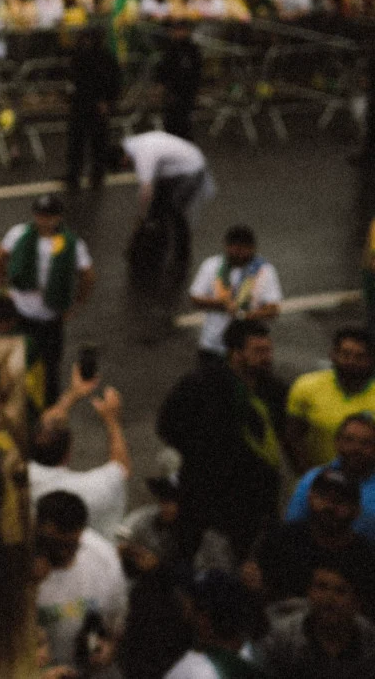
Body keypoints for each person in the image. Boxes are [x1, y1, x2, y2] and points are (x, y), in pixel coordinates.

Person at [158, 318, 288, 556]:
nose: (267, 357)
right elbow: (168, 426)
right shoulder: (199, 385)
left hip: (255, 498)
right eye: (258, 351)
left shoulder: (275, 390)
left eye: (268, 350)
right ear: (235, 353)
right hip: (204, 493)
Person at [0, 193, 94, 407]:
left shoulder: (70, 244)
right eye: (40, 215)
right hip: (21, 312)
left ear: (58, 218)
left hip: (50, 317)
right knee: (16, 361)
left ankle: (47, 409)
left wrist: (76, 304)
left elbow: (87, 274)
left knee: (49, 367)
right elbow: (1, 257)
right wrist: (3, 288)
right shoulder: (19, 234)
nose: (44, 220)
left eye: (49, 216)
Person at [249, 467, 375, 608]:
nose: (330, 506)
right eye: (323, 497)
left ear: (356, 510)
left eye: (340, 501)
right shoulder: (283, 539)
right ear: (310, 497)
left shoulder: (365, 558)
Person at [29, 369, 132, 540]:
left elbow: (47, 425)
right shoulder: (86, 490)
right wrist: (112, 421)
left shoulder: (16, 472)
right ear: (68, 454)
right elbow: (121, 468)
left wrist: (72, 395)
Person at [33, 489, 127, 675]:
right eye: (55, 545)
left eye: (71, 545)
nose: (63, 554)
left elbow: (114, 625)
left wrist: (107, 648)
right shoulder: (16, 568)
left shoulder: (103, 559)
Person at [253, 562, 375, 678]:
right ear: (309, 592)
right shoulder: (281, 639)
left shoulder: (370, 642)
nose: (329, 599)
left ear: (356, 603)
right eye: (321, 587)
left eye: (340, 591)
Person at [123, 129, 214, 279]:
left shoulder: (142, 153)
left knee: (174, 212)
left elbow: (146, 191)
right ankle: (160, 250)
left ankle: (180, 256)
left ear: (124, 158)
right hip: (178, 170)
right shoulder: (138, 143)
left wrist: (141, 217)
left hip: (189, 172)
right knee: (161, 212)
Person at [188, 225, 282, 358]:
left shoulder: (264, 271)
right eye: (236, 249)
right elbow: (195, 298)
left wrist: (245, 315)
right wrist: (222, 304)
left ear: (252, 248)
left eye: (244, 249)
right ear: (227, 246)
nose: (239, 254)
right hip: (212, 345)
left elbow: (273, 309)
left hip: (246, 351)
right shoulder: (212, 266)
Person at [290, 329, 375, 473]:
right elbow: (293, 437)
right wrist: (309, 477)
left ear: (371, 360)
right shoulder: (306, 387)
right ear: (333, 355)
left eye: (360, 356)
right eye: (345, 354)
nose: (351, 362)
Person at [287, 413, 375, 543]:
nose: (356, 448)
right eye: (349, 440)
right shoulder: (312, 479)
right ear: (337, 442)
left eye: (365, 443)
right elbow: (292, 527)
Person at [162, 570, 260, 679]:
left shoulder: (191, 672)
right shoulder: (259, 656)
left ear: (204, 620)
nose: (186, 614)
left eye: (191, 609)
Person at [64, 28, 124, 194]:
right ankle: (75, 174)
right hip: (82, 103)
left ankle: (96, 174)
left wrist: (107, 101)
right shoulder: (82, 56)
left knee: (97, 142)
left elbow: (114, 81)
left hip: (96, 105)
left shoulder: (104, 58)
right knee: (77, 141)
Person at [158, 21, 205, 141]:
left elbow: (196, 71)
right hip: (172, 92)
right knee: (171, 122)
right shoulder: (170, 49)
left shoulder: (192, 50)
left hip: (187, 91)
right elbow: (163, 70)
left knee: (184, 122)